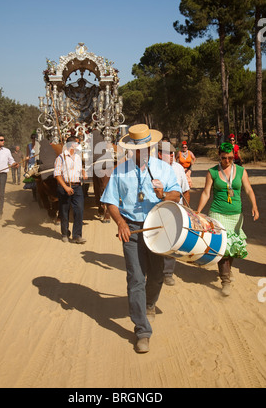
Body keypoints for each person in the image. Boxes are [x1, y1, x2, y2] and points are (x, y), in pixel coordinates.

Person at [101, 124, 181, 353]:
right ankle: (142, 331)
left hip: (158, 226)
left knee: (156, 276)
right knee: (136, 278)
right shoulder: (120, 170)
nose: (145, 152)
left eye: (149, 147)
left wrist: (163, 194)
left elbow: (176, 194)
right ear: (132, 150)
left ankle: (149, 304)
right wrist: (121, 223)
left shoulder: (164, 169)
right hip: (132, 229)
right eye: (140, 148)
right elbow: (110, 201)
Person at [196, 142, 259, 297]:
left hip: (236, 214)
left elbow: (249, 189)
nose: (227, 161)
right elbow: (206, 193)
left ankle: (227, 270)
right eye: (224, 158)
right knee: (223, 247)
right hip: (218, 213)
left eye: (231, 157)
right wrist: (198, 211)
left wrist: (254, 206)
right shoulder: (212, 172)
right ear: (219, 156)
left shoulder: (241, 171)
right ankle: (225, 281)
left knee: (232, 246)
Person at [157, 139, 190, 286]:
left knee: (172, 242)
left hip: (176, 210)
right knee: (157, 241)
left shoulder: (178, 168)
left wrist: (188, 210)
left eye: (172, 153)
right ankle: (155, 270)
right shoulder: (154, 168)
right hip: (158, 211)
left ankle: (168, 273)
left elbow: (185, 190)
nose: (171, 155)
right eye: (167, 153)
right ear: (159, 154)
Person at [54, 136, 88, 244]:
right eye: (77, 143)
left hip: (77, 187)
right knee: (64, 211)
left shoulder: (78, 157)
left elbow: (80, 167)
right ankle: (64, 234)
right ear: (72, 144)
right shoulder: (61, 157)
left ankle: (77, 235)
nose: (79, 145)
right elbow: (57, 175)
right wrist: (66, 187)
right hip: (65, 187)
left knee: (79, 210)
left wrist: (83, 172)